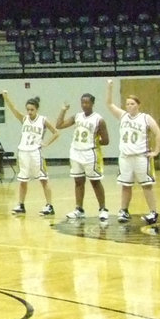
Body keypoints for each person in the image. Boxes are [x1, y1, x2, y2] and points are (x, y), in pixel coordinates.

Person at [106, 79, 160, 225]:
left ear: (138, 105)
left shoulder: (145, 118)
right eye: (127, 104)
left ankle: (153, 212)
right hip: (125, 157)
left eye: (132, 103)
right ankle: (124, 210)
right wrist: (110, 87)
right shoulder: (123, 115)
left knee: (146, 185)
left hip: (141, 157)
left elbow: (158, 134)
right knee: (126, 185)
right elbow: (109, 104)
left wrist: (156, 151)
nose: (129, 106)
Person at [2, 90, 60, 216]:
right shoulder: (24, 119)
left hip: (35, 153)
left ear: (37, 109)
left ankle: (49, 206)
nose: (29, 112)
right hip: (23, 152)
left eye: (32, 109)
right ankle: (21, 205)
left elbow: (56, 132)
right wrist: (6, 97)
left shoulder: (43, 120)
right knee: (23, 180)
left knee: (43, 179)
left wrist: (46, 143)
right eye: (28, 109)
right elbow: (13, 109)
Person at [55, 94, 110, 223]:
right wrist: (63, 110)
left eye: (87, 103)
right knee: (78, 182)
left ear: (92, 104)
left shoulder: (99, 120)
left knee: (95, 182)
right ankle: (79, 209)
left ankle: (103, 209)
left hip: (90, 153)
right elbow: (59, 125)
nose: (84, 105)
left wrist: (94, 142)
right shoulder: (77, 116)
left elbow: (106, 140)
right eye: (82, 102)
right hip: (75, 152)